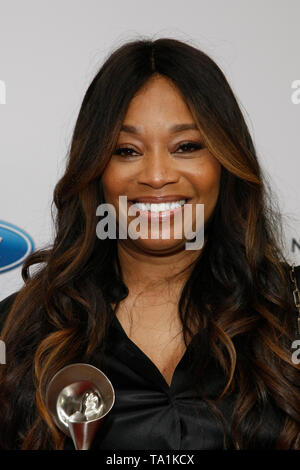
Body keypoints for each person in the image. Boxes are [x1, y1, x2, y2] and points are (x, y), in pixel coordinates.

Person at [0, 37, 300, 451]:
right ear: (95, 168)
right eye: (127, 150)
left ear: (226, 161)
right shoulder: (21, 329)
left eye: (187, 147)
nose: (157, 175)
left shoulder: (290, 312)